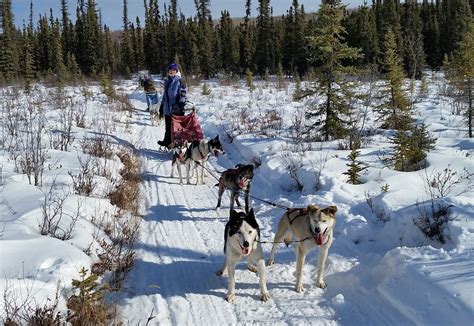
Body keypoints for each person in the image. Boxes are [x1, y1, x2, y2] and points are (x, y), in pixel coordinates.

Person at [157, 63, 187, 148]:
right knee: (168, 127)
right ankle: (167, 141)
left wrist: (181, 104)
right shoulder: (167, 82)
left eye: (173, 70)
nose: (171, 72)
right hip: (167, 108)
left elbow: (183, 94)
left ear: (176, 71)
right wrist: (162, 106)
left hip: (176, 109)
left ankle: (178, 145)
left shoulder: (180, 81)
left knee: (177, 128)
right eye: (170, 70)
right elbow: (165, 95)